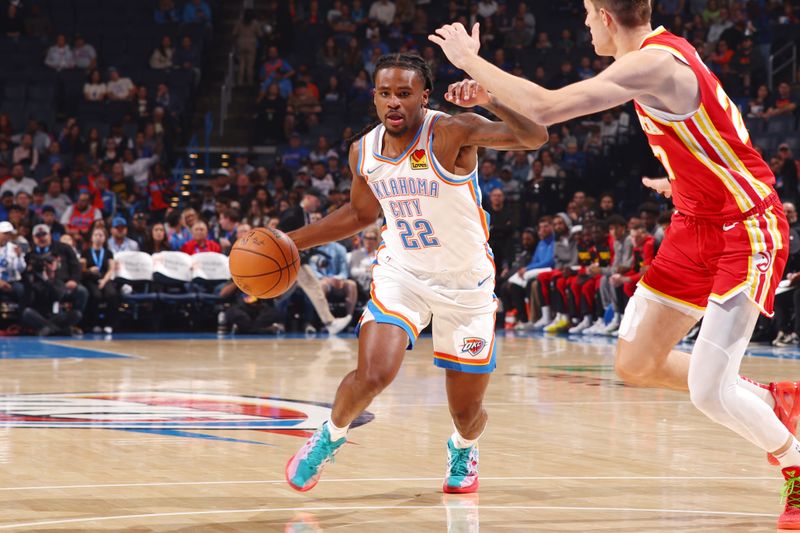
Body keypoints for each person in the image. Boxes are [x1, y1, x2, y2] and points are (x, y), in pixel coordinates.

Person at [429, 3, 800, 527]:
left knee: (709, 390)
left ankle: (795, 466)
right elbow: (709, 138)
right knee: (636, 363)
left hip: (746, 225)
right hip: (695, 222)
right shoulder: (653, 61)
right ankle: (771, 399)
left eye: (586, 14)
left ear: (605, 15)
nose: (584, 26)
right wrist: (492, 96)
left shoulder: (654, 63)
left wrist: (470, 59)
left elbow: (547, 108)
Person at [284, 53, 546, 493]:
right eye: (385, 93)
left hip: (467, 285)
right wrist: (290, 241)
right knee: (374, 374)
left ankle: (464, 446)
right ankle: (329, 436)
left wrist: (491, 100)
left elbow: (534, 136)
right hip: (402, 275)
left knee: (466, 412)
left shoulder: (451, 130)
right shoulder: (363, 151)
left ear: (424, 97)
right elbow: (358, 214)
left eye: (404, 94)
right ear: (374, 96)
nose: (394, 102)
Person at [82, 227, 118, 334]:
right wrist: (89, 270)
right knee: (96, 295)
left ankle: (109, 324)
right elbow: (82, 269)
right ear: (92, 238)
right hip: (91, 279)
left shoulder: (108, 252)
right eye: (96, 235)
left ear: (105, 238)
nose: (98, 237)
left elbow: (111, 269)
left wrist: (104, 280)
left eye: (101, 235)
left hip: (104, 278)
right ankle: (95, 323)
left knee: (112, 294)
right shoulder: (86, 252)